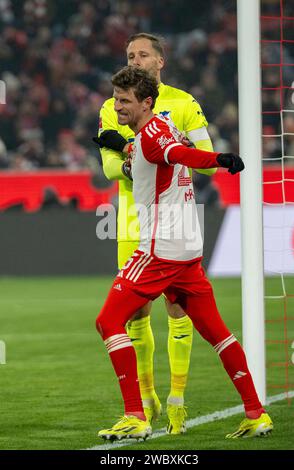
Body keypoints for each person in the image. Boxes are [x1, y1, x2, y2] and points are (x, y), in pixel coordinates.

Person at [95, 66, 273, 441]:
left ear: (146, 103)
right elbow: (156, 149)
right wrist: (117, 140)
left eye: (124, 101)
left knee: (108, 322)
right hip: (187, 252)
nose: (117, 105)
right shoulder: (159, 128)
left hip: (159, 251)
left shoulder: (157, 140)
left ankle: (136, 415)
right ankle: (256, 413)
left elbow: (179, 155)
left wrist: (221, 160)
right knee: (219, 334)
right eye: (115, 98)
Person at [93, 33, 217, 434]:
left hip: (176, 218)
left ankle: (178, 398)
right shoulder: (113, 106)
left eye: (143, 54)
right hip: (131, 219)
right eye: (130, 54)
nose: (137, 59)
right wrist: (139, 153)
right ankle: (146, 399)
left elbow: (210, 163)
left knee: (179, 310)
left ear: (160, 62)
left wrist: (167, 148)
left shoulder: (182, 103)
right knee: (134, 315)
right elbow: (111, 169)